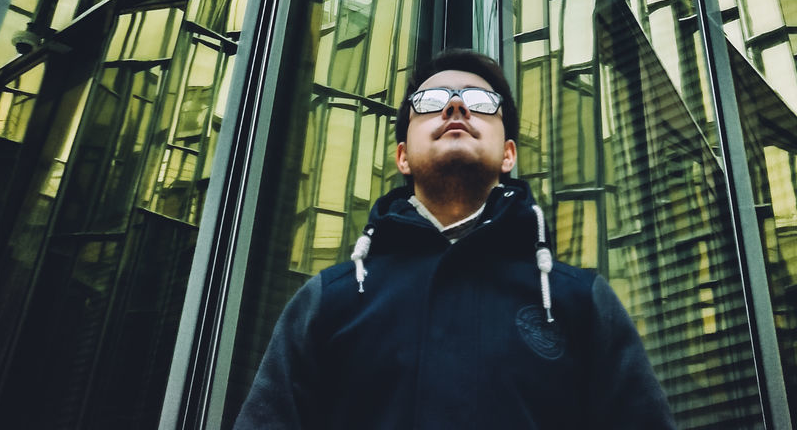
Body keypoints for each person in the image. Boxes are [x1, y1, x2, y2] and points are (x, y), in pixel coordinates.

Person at [234, 48, 676, 428]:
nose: (456, 108)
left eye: (481, 101)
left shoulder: (581, 303)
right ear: (402, 157)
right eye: (430, 101)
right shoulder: (329, 301)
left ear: (509, 155)